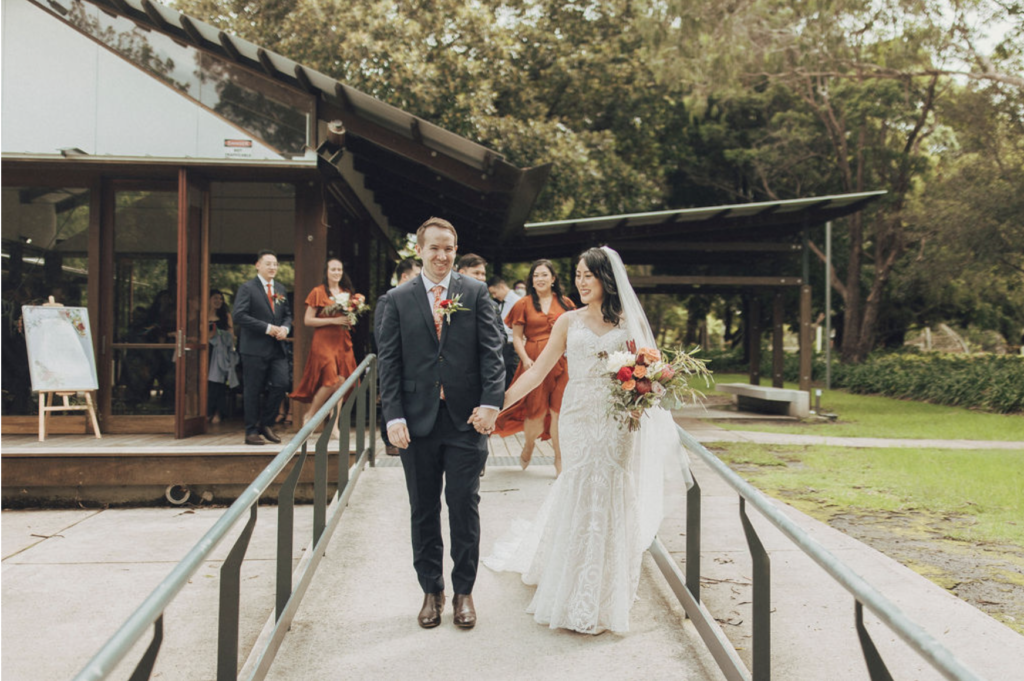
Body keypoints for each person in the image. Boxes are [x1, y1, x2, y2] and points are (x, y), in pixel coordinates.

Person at [479, 246, 693, 635]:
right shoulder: (567, 321)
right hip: (578, 416)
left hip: (617, 422)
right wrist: (495, 404)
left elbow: (652, 374)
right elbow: (538, 373)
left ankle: (605, 584)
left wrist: (638, 401)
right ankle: (571, 576)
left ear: (606, 280)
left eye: (587, 275)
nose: (580, 282)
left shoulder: (630, 323)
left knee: (610, 486)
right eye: (576, 275)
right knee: (578, 484)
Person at [377, 217, 505, 630]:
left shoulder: (476, 292)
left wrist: (490, 404)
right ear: (420, 250)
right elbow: (390, 364)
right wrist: (393, 415)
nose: (442, 255)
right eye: (434, 248)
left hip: (466, 421)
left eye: (448, 248)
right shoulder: (396, 299)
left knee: (464, 506)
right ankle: (431, 590)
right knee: (423, 509)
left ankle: (464, 591)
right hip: (417, 422)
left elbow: (493, 353)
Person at [493, 259, 575, 475]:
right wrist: (525, 358)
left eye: (544, 275)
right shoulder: (523, 304)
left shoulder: (566, 303)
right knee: (536, 413)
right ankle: (529, 445)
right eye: (536, 275)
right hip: (533, 361)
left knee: (559, 411)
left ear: (553, 278)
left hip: (561, 363)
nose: (540, 279)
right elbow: (517, 338)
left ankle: (559, 459)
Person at [289, 258, 360, 424]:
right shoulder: (318, 291)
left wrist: (350, 318)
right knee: (330, 381)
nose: (336, 273)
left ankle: (334, 424)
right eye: (333, 269)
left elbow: (350, 317)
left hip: (342, 340)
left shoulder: (346, 293)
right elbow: (308, 320)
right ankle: (311, 415)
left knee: (342, 381)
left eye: (339, 270)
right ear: (326, 272)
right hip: (324, 341)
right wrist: (333, 321)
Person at [233, 250, 292, 446]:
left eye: (275, 264)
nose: (273, 267)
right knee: (253, 390)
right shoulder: (247, 288)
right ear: (258, 265)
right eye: (268, 264)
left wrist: (285, 327)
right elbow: (239, 315)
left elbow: (287, 314)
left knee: (282, 383)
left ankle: (266, 423)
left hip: (277, 348)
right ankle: (251, 431)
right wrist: (267, 328)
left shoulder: (281, 289)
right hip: (254, 348)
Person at [373, 257, 421, 455]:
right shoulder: (388, 299)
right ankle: (388, 440)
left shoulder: (415, 298)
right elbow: (381, 334)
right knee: (391, 395)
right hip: (395, 359)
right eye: (417, 276)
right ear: (405, 276)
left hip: (413, 363)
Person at [207, 290, 239, 424]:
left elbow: (231, 335)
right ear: (208, 299)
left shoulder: (226, 316)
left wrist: (221, 336)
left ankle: (218, 413)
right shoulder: (202, 315)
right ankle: (206, 412)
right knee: (206, 383)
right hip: (206, 351)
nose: (218, 301)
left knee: (218, 382)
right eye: (215, 298)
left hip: (220, 352)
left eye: (220, 299)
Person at [487, 276, 522, 389]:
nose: (494, 296)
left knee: (511, 380)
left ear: (501, 287)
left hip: (512, 347)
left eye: (494, 292)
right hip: (504, 346)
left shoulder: (517, 302)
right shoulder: (502, 303)